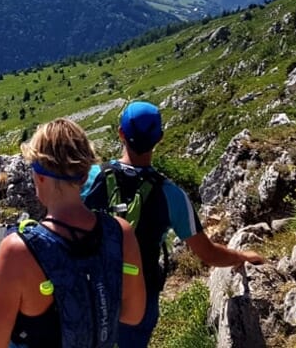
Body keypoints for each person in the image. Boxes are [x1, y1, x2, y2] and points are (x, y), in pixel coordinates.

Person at [82, 101, 265, 348]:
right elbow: (208, 253)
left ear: (121, 133)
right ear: (159, 138)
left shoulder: (90, 177)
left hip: (92, 289)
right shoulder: (171, 195)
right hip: (141, 297)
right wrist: (242, 255)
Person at [0, 118, 146, 347]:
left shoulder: (18, 251)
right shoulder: (121, 231)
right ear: (85, 175)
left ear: (38, 176)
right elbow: (133, 314)